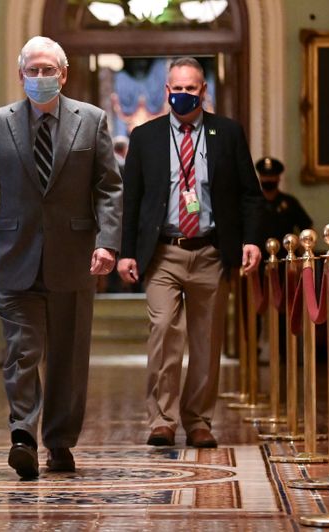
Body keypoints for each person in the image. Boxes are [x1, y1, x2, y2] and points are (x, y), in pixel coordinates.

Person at [0, 36, 122, 479]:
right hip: (15, 256)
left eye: (48, 69)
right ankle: (22, 435)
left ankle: (59, 441)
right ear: (20, 76)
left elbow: (109, 187)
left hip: (73, 258)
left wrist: (107, 242)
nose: (40, 77)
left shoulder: (91, 121)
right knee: (22, 351)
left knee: (69, 356)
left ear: (63, 74)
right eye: (32, 70)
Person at [117, 57, 264, 448]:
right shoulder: (145, 137)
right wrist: (125, 251)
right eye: (176, 89)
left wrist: (250, 240)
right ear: (166, 92)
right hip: (163, 252)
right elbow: (130, 200)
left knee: (206, 339)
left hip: (210, 251)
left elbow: (250, 194)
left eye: (191, 88)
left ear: (204, 92)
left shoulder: (227, 133)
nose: (183, 95)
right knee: (164, 330)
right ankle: (162, 419)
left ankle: (198, 420)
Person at [256, 156, 313, 248]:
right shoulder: (253, 203)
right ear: (260, 177)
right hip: (258, 257)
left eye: (271, 176)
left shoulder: (290, 202)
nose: (268, 179)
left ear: (278, 178)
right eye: (265, 176)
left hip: (285, 257)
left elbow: (307, 228)